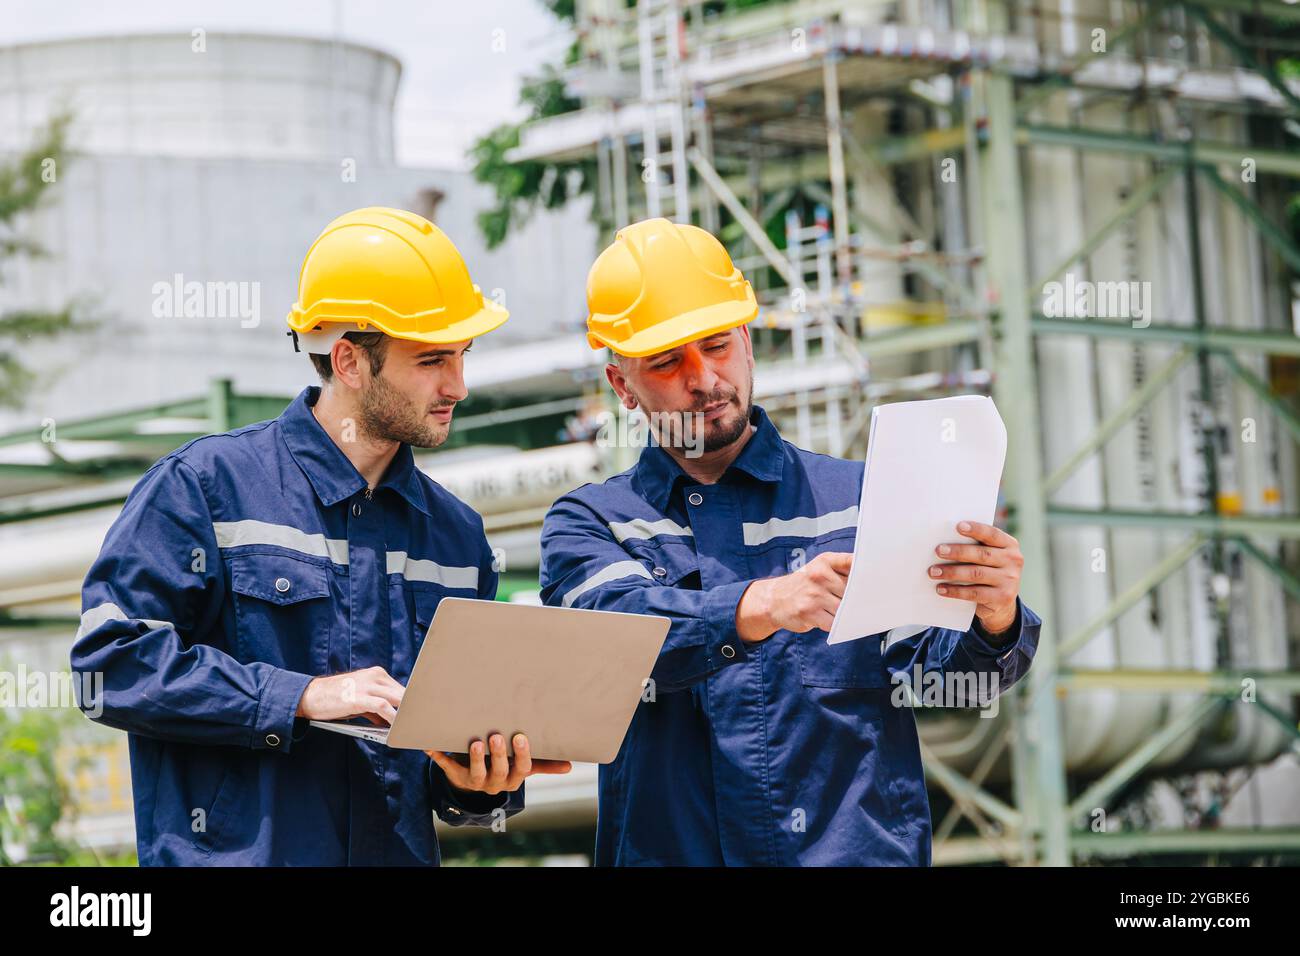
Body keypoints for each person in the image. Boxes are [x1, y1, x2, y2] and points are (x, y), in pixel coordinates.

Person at [71, 207, 570, 865]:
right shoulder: (204, 488)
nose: (459, 386)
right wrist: (300, 696)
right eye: (432, 359)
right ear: (349, 361)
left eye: (462, 355)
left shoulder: (454, 538)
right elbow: (108, 666)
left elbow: (437, 764)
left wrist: (476, 786)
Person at [539, 217, 1040, 865]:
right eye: (666, 362)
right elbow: (604, 645)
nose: (703, 378)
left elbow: (953, 682)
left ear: (747, 343)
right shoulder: (593, 523)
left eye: (717, 346)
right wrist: (764, 605)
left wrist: (993, 618)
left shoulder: (859, 502)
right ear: (621, 386)